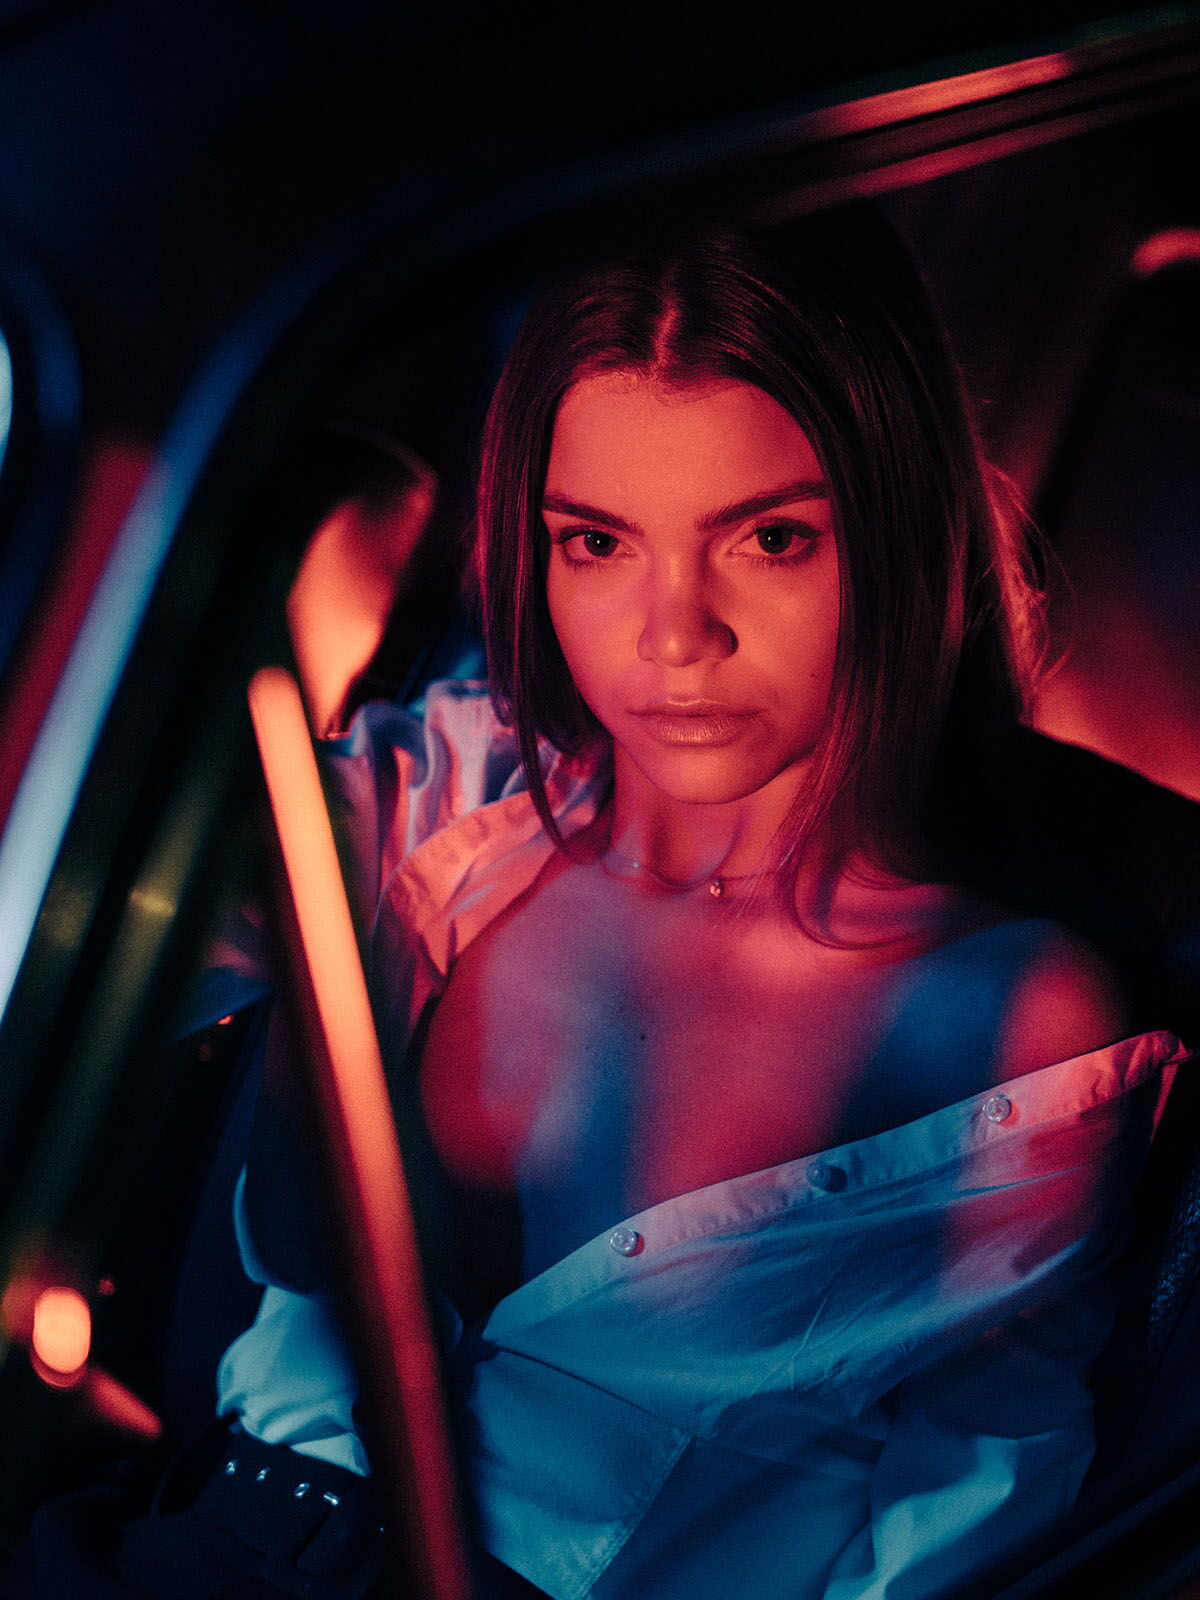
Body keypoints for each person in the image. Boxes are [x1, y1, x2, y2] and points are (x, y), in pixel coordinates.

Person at [5, 206, 1189, 1599]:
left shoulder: (1011, 1020)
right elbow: (72, 908)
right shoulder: (446, 797)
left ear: (898, 528)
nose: (674, 634)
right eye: (597, 542)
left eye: (770, 538)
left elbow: (969, 1531)